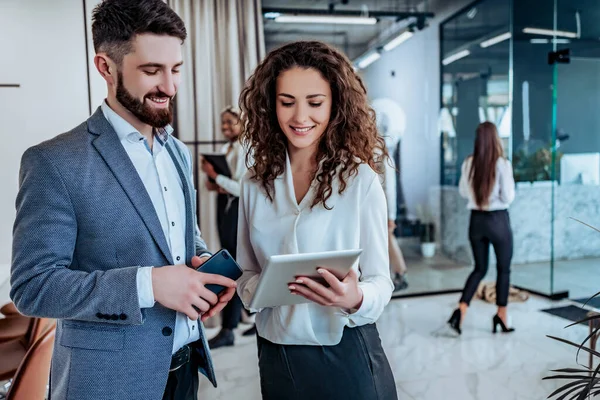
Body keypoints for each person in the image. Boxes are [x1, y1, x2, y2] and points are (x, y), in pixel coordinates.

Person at [10, 1, 237, 399]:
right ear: (106, 68)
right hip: (108, 383)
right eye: (152, 71)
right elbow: (33, 287)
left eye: (176, 69)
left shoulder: (178, 153)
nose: (169, 86)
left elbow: (185, 238)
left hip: (185, 370)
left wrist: (200, 267)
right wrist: (149, 285)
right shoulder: (53, 162)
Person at [236, 41, 398, 399]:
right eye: (287, 102)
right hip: (278, 356)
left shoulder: (360, 181)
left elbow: (380, 282)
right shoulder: (252, 184)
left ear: (336, 105)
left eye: (315, 102)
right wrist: (257, 292)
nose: (300, 117)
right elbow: (246, 273)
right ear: (270, 104)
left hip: (347, 349)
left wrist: (355, 297)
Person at [448, 121, 516, 336]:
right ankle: (501, 315)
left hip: (476, 221)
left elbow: (463, 192)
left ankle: (461, 309)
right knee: (503, 269)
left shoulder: (468, 163)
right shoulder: (502, 164)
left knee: (479, 268)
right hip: (498, 221)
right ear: (495, 139)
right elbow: (508, 197)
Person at [202, 106, 253, 348]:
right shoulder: (225, 149)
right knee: (231, 262)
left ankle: (228, 328)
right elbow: (221, 186)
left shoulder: (248, 150)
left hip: (239, 212)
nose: (225, 128)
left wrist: (217, 177)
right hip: (224, 208)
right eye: (223, 123)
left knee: (233, 266)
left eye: (230, 123)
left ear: (242, 123)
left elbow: (244, 190)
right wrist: (212, 181)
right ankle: (237, 322)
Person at [381, 153, 409, 292]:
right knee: (387, 241)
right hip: (378, 209)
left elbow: (390, 189)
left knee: (389, 240)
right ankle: (398, 274)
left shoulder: (384, 157)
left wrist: (391, 216)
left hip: (383, 211)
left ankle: (400, 274)